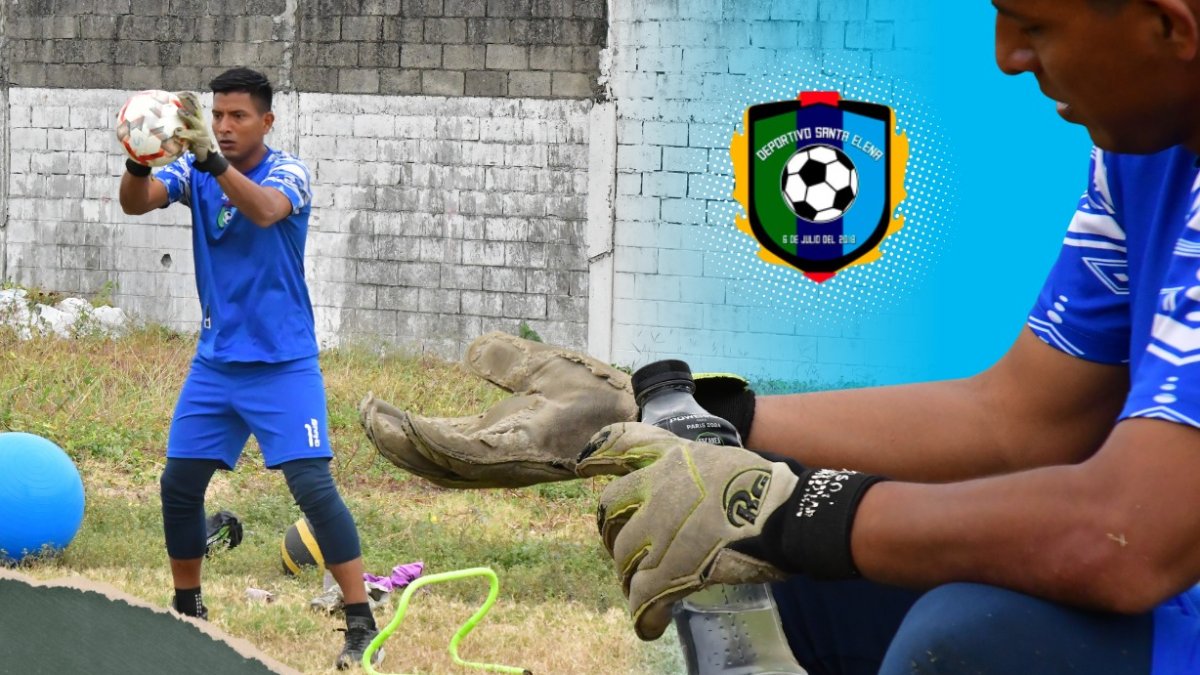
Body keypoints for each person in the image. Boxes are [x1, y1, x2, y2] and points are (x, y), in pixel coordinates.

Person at [360, 0, 1200, 672]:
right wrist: (678, 414)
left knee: (971, 638)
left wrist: (797, 515)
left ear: (1171, 25)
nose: (1006, 55)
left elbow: (1127, 535)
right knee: (803, 574)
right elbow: (1019, 417)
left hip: (1160, 571)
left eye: (1034, 23)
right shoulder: (1143, 156)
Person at [118, 68, 382, 670]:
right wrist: (139, 157)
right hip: (216, 365)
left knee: (313, 487)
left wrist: (212, 162)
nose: (225, 126)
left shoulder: (289, 172)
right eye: (216, 115)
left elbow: (264, 211)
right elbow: (136, 205)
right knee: (179, 486)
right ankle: (187, 609)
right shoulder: (191, 169)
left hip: (283, 366)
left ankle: (360, 619)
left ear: (267, 120)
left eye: (238, 116)